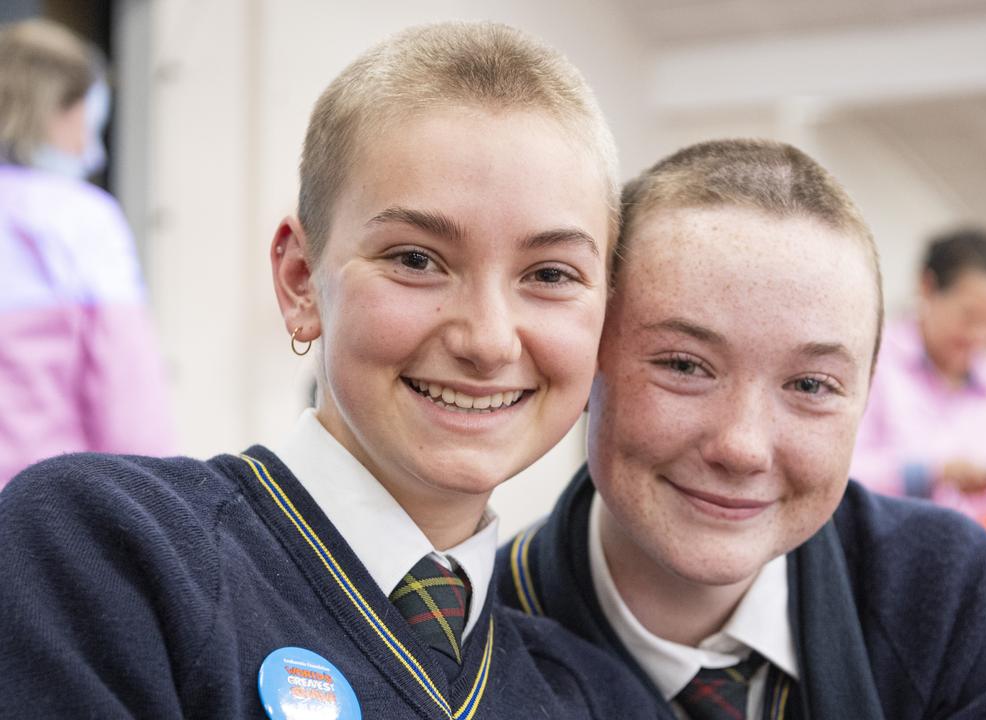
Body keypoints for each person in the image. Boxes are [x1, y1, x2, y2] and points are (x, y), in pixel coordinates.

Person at [0, 22, 659, 719]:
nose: (488, 341)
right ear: (300, 282)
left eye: (551, 274)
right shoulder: (109, 554)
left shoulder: (597, 695)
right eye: (415, 259)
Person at [498, 139, 986, 719]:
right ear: (590, 356)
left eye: (810, 385)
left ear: (866, 392)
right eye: (684, 365)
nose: (742, 448)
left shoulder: (952, 595)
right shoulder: (469, 642)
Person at [0, 19, 174, 486]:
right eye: (89, 123)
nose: (93, 152)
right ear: (50, 110)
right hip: (40, 519)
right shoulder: (78, 218)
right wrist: (154, 499)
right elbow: (126, 390)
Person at [849, 228, 986, 519]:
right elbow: (834, 470)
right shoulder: (869, 361)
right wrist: (929, 474)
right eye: (970, 316)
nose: (980, 335)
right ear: (928, 286)